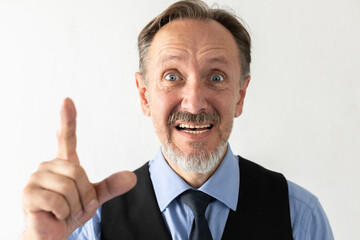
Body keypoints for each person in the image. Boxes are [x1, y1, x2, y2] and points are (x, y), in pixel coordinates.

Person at [21, 0, 334, 239]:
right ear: (145, 95)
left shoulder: (299, 216)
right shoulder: (92, 223)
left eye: (216, 76)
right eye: (172, 76)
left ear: (239, 96)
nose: (195, 102)